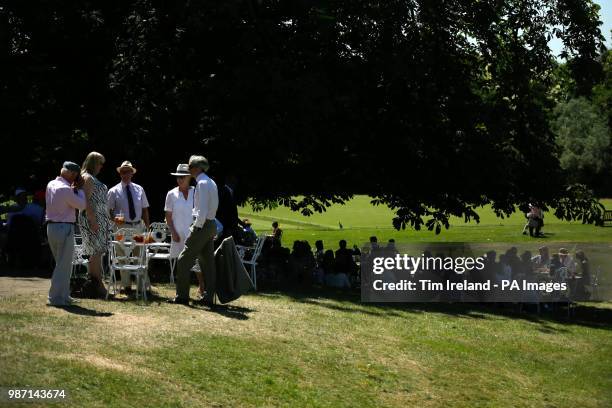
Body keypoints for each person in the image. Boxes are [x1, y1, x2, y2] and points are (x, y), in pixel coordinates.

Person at [171, 155, 219, 305]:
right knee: (208, 263)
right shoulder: (210, 182)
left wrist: (196, 229)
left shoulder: (203, 183)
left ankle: (182, 296)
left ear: (197, 168)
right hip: (210, 225)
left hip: (202, 226)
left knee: (183, 260)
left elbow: (202, 211)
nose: (189, 169)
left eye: (190, 167)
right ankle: (209, 297)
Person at [45, 161, 87, 306]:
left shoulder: (51, 184)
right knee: (63, 265)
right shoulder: (65, 189)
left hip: (51, 227)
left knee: (62, 264)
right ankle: (55, 298)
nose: (76, 177)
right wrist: (80, 189)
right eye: (75, 175)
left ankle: (64, 295)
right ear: (70, 173)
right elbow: (82, 205)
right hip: (64, 228)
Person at [107, 160, 151, 294]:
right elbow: (107, 211)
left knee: (140, 255)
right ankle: (126, 286)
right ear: (120, 174)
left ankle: (142, 285)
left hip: (137, 226)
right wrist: (114, 219)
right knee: (122, 255)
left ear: (132, 173)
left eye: (128, 172)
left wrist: (148, 228)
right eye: (123, 172)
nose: (126, 174)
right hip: (121, 228)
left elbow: (145, 210)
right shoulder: (113, 191)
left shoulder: (139, 189)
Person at [164, 164, 204, 295]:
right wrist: (173, 233)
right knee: (181, 263)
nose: (179, 179)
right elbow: (168, 217)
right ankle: (181, 291)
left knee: (197, 262)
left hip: (194, 233)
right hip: (179, 234)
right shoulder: (171, 194)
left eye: (182, 176)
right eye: (178, 177)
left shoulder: (196, 192)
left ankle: (202, 286)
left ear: (189, 177)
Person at [79, 152, 111, 297]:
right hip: (93, 220)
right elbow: (85, 201)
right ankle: (99, 288)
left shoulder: (89, 178)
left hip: (98, 220)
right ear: (93, 163)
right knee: (96, 252)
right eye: (100, 163)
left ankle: (93, 286)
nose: (101, 167)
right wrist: (93, 221)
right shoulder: (87, 178)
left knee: (97, 253)